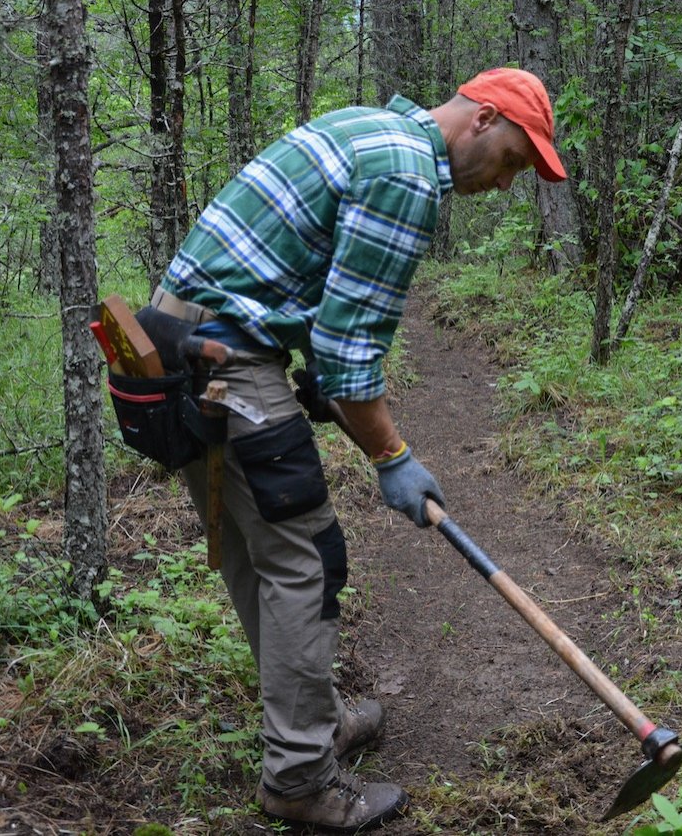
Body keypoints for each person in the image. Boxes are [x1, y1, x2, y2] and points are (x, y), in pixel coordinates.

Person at [152, 67, 566, 833]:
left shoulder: (371, 129)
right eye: (513, 159)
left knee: (260, 554)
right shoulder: (409, 176)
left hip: (175, 340)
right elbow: (348, 348)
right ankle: (301, 778)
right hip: (223, 362)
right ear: (480, 119)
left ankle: (313, 723)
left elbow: (307, 279)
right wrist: (391, 455)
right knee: (305, 560)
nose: (508, 183)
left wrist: (313, 373)